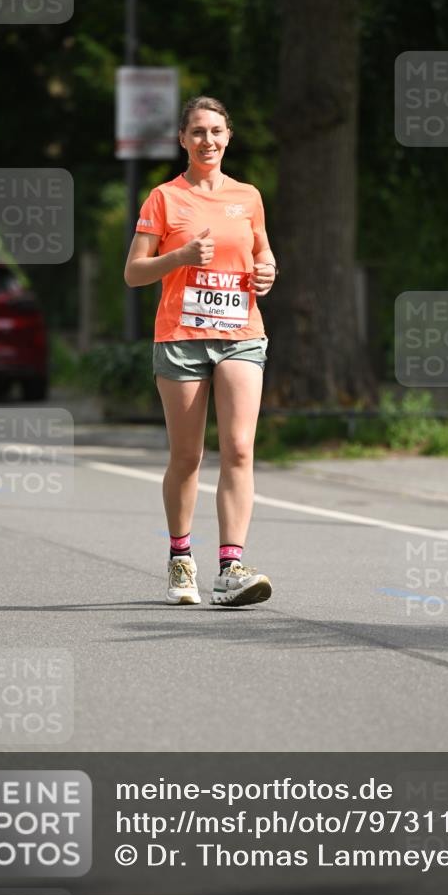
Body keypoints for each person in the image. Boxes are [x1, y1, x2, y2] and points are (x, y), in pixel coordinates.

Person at [124, 96, 278, 607]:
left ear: (228, 136)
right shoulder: (164, 198)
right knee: (188, 456)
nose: (207, 140)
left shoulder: (248, 196)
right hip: (181, 338)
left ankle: (231, 567)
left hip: (240, 332)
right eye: (197, 132)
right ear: (183, 141)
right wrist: (181, 256)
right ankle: (180, 558)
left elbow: (262, 253)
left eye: (215, 131)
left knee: (238, 448)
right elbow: (134, 272)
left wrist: (267, 272)